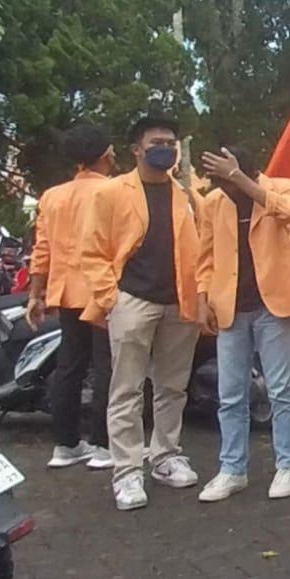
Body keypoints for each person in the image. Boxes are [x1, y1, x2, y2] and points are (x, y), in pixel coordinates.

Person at [79, 115, 203, 511]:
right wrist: (109, 297)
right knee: (127, 388)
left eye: (171, 140)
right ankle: (128, 470)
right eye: (156, 142)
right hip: (132, 300)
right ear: (137, 149)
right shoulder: (111, 193)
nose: (165, 147)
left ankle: (165, 456)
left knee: (172, 386)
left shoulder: (186, 194)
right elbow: (92, 250)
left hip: (179, 302)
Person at [192, 146, 290, 503]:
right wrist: (202, 299)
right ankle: (232, 469)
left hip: (272, 306)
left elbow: (288, 211)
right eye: (223, 183)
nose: (227, 190)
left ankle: (287, 465)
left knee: (281, 389)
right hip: (230, 306)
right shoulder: (214, 202)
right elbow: (204, 257)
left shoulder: (280, 187)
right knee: (230, 394)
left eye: (230, 181)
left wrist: (240, 180)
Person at [27, 124, 117, 471]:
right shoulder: (115, 191)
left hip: (65, 294)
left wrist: (35, 295)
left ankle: (65, 445)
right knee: (108, 367)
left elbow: (42, 250)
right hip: (104, 293)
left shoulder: (52, 196)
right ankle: (104, 445)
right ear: (106, 155)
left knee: (69, 368)